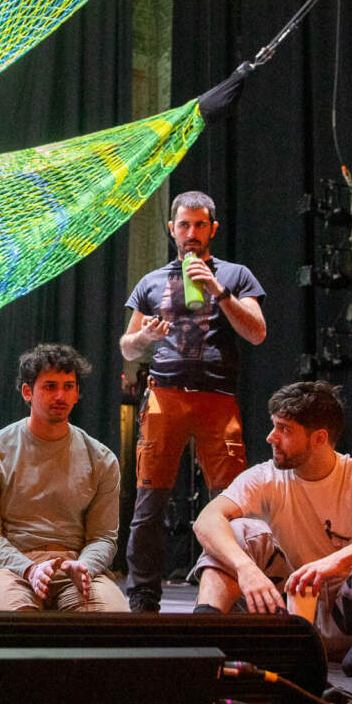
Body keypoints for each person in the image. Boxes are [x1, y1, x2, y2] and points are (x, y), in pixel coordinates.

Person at [191, 381, 352, 676]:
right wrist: (246, 568)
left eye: (284, 429)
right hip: (284, 613)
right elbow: (207, 519)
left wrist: (337, 560)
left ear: (319, 438)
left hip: (351, 618)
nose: (271, 438)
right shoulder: (265, 476)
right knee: (235, 528)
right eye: (273, 426)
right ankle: (204, 633)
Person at [118, 190, 267, 612]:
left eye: (200, 225)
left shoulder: (236, 275)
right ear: (171, 229)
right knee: (150, 501)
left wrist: (218, 290)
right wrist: (144, 337)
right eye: (184, 225)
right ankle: (144, 596)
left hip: (217, 398)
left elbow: (257, 332)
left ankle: (233, 592)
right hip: (164, 396)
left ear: (213, 229)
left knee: (231, 501)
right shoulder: (149, 282)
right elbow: (127, 348)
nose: (192, 233)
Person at [0, 344, 127, 612]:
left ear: (77, 393)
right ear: (28, 392)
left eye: (69, 386)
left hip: (75, 564)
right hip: (11, 567)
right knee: (4, 617)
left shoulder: (101, 458)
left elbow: (103, 537)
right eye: (50, 386)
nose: (61, 395)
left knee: (108, 619)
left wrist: (85, 566)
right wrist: (29, 569)